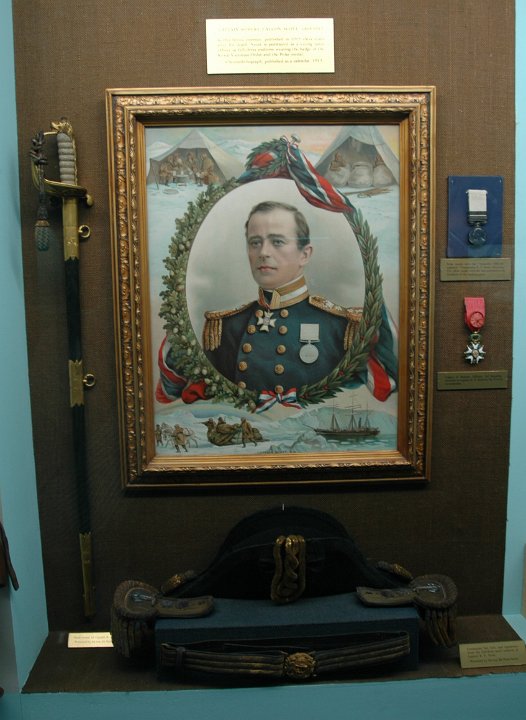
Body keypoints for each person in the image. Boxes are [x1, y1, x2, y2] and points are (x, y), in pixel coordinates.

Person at [202, 201, 362, 395]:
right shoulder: (227, 327)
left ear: (304, 254)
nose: (263, 253)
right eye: (255, 243)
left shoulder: (340, 328)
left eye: (277, 242)